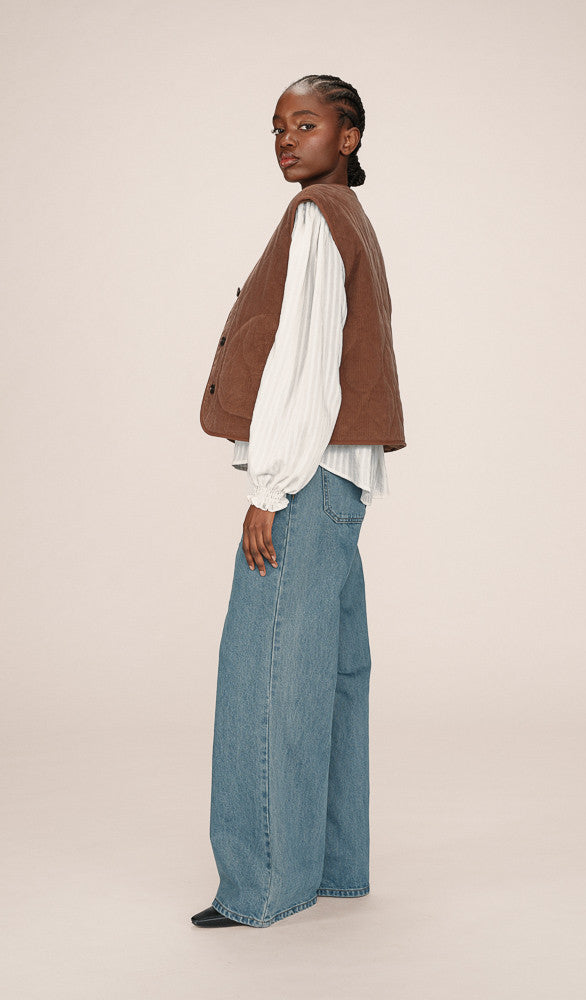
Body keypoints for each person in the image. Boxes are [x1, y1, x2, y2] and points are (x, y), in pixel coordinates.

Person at [192, 74, 406, 928]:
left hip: (306, 479)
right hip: (343, 482)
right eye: (278, 126)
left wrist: (268, 488)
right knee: (329, 675)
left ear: (347, 138)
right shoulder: (349, 219)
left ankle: (263, 886)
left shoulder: (319, 215)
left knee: (264, 677)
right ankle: (331, 868)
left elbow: (304, 363)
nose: (286, 138)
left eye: (306, 123)